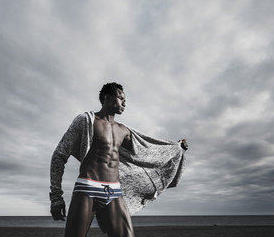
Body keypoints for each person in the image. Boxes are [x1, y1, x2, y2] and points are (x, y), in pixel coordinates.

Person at [50, 82, 188, 237]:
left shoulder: (124, 131)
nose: (124, 102)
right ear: (107, 98)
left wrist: (176, 147)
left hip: (114, 191)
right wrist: (56, 197)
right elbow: (59, 155)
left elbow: (148, 149)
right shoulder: (86, 121)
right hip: (87, 188)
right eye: (121, 98)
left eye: (125, 99)